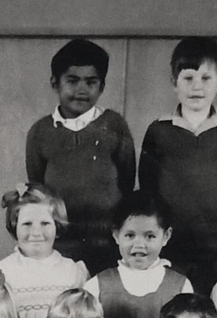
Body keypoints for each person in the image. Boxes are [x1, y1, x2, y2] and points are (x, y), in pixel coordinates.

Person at [138, 37, 217, 294]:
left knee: (209, 310)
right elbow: (148, 185)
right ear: (174, 82)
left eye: (205, 79)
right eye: (188, 78)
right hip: (171, 242)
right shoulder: (158, 131)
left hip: (214, 243)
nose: (196, 87)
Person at [25, 38, 136, 274]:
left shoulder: (114, 126)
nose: (82, 89)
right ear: (55, 83)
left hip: (107, 245)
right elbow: (38, 189)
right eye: (72, 81)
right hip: (60, 248)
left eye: (91, 81)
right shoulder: (40, 132)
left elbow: (126, 182)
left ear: (102, 86)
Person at [83, 191, 192, 318]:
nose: (139, 244)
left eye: (150, 236)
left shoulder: (180, 286)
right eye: (130, 235)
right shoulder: (97, 285)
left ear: (166, 236)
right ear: (116, 235)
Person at [0, 183, 89, 318]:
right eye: (27, 224)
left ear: (57, 226)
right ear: (14, 226)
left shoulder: (73, 271)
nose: (36, 232)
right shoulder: (1, 273)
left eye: (45, 223)